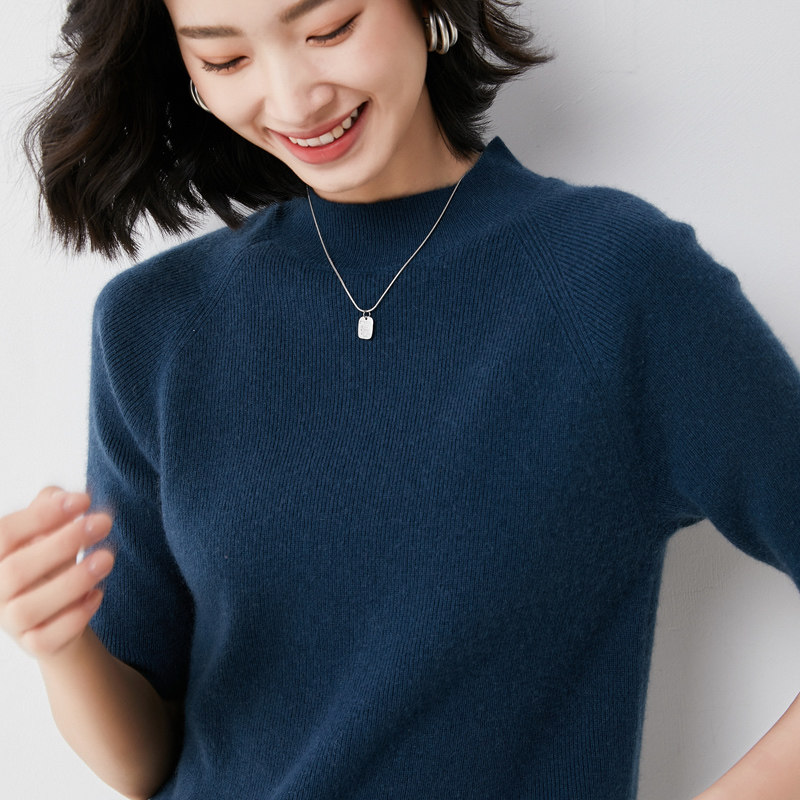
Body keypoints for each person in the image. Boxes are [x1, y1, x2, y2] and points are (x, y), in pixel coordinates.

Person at [1, 0, 799, 798]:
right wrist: (58, 645)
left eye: (329, 29)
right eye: (226, 60)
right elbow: (144, 762)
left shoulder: (614, 280)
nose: (293, 99)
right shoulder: (155, 322)